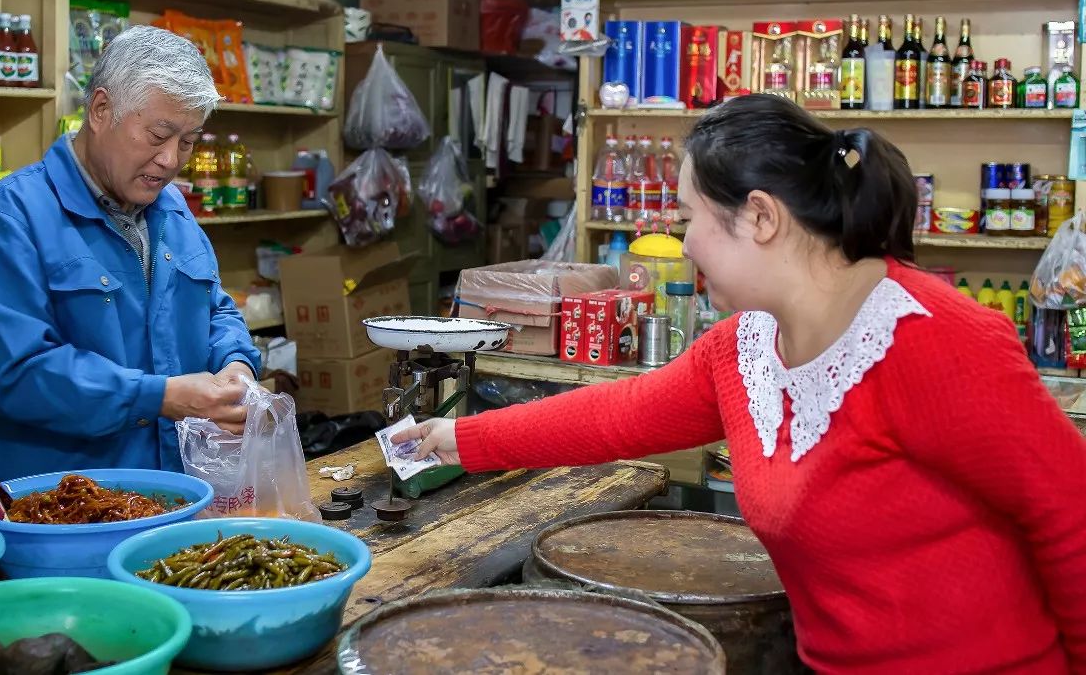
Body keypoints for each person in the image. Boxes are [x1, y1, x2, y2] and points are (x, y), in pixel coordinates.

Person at [398, 95, 1086, 674]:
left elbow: (1073, 521)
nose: (685, 242)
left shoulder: (937, 338)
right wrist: (454, 438)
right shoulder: (746, 346)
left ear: (760, 216)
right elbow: (621, 414)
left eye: (689, 216)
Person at [0, 26, 260, 493]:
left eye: (189, 141)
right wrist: (161, 397)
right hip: (57, 513)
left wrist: (236, 365)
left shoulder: (173, 212)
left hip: (171, 499)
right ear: (100, 111)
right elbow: (17, 374)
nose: (171, 159)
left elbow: (214, 310)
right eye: (158, 135)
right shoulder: (10, 219)